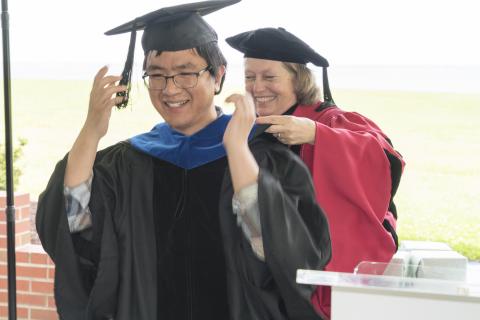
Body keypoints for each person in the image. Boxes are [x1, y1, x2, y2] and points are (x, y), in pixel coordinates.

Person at [36, 2, 332, 320]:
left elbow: (286, 259)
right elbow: (76, 229)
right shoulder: (127, 164)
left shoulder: (263, 156)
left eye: (186, 73)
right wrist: (92, 131)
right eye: (158, 75)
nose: (170, 88)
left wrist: (236, 149)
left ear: (218, 76)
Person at [226, 27, 405, 319]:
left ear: (298, 78)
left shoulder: (329, 119)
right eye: (249, 77)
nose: (257, 87)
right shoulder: (248, 126)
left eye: (269, 77)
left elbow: (386, 161)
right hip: (263, 277)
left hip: (317, 275)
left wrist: (316, 135)